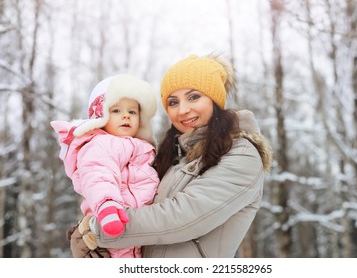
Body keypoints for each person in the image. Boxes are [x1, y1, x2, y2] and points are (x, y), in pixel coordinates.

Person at [70, 53, 273, 258]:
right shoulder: (175, 156)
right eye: (173, 102)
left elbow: (183, 218)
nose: (183, 110)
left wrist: (96, 230)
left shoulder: (242, 153)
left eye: (194, 97)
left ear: (214, 100)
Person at [51, 74, 159, 258]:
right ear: (101, 116)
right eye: (116, 111)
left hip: (143, 235)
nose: (126, 115)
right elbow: (97, 174)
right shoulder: (99, 144)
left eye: (132, 112)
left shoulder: (146, 149)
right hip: (112, 224)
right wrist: (107, 205)